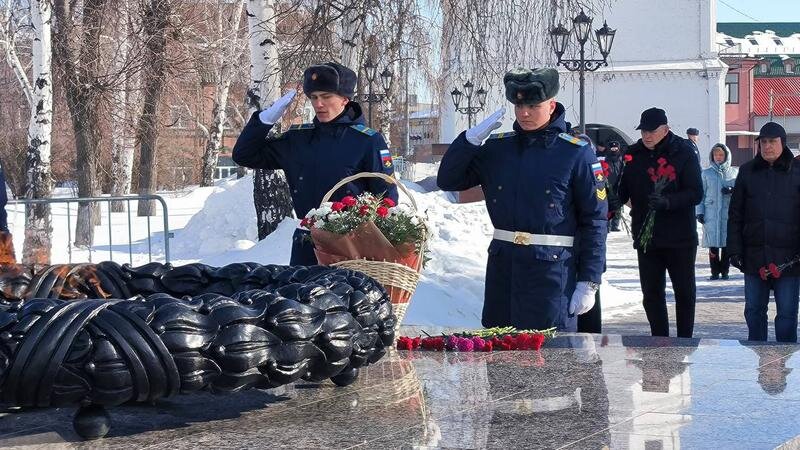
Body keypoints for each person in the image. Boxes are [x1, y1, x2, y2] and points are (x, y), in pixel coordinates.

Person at [437, 67, 607, 332]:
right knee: (499, 359)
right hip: (504, 272)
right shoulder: (498, 149)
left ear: (551, 105)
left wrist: (589, 280)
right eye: (518, 105)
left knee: (551, 362)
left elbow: (594, 220)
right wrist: (469, 142)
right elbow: (449, 180)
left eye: (532, 105)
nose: (524, 112)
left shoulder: (574, 153)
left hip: (552, 275)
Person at [232, 61, 398, 266]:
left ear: (345, 99)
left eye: (326, 97)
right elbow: (244, 155)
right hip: (307, 244)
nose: (318, 104)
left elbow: (387, 198)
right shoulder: (299, 139)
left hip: (352, 246)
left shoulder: (367, 141)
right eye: (314, 97)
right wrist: (265, 119)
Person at [615, 107, 703, 338]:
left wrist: (668, 201)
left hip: (679, 237)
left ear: (666, 129)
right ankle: (659, 341)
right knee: (651, 294)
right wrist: (607, 197)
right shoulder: (634, 154)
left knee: (684, 293)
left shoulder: (683, 151)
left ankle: (685, 341)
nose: (647, 136)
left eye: (652, 131)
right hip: (647, 237)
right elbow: (623, 191)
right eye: (643, 131)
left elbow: (696, 193)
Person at [727, 122, 800, 342]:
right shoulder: (748, 171)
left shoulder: (796, 172)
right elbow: (735, 214)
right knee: (754, 311)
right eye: (764, 142)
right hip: (754, 256)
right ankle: (757, 356)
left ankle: (785, 359)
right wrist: (734, 249)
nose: (767, 146)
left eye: (772, 142)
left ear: (782, 143)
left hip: (789, 259)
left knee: (787, 314)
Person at [696, 143, 738, 280]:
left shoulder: (733, 173)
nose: (718, 157)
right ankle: (714, 271)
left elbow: (741, 193)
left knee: (726, 245)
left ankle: (725, 271)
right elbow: (701, 194)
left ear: (726, 156)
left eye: (721, 155)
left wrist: (732, 191)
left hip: (727, 215)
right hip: (711, 214)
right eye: (716, 155)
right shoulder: (706, 173)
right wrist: (700, 212)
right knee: (713, 246)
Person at [603, 140, 625, 232]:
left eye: (616, 148)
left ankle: (615, 225)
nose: (614, 149)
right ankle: (607, 225)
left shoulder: (622, 159)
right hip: (608, 185)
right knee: (608, 205)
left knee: (617, 205)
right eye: (612, 148)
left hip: (619, 184)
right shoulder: (606, 159)